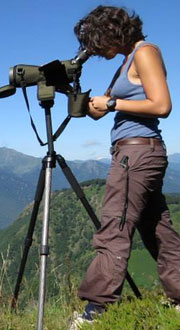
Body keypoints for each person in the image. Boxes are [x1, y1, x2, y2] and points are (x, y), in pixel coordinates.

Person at [70, 5, 180, 328]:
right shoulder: (124, 63)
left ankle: (97, 312)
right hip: (137, 153)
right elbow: (99, 111)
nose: (96, 49)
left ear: (112, 32)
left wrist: (114, 102)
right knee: (158, 230)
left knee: (114, 228)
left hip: (137, 155)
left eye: (96, 40)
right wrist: (75, 93)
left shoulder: (145, 53)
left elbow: (162, 105)